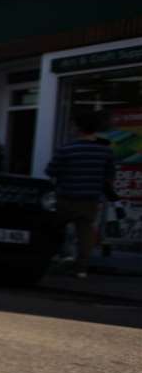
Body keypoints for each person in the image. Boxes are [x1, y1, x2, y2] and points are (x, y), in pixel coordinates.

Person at [46, 108, 117, 279]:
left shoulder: (67, 149)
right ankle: (81, 269)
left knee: (54, 229)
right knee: (85, 233)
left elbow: (51, 171)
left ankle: (52, 260)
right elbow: (110, 176)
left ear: (77, 128)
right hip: (90, 198)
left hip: (66, 197)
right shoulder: (105, 151)